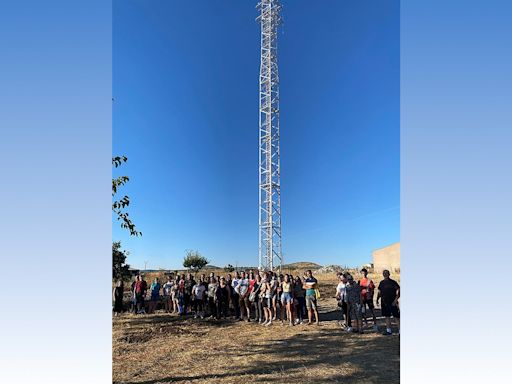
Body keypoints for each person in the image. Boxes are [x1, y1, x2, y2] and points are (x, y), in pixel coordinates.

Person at [376, 269, 400, 336]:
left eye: (386, 273)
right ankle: (389, 331)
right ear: (383, 274)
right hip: (384, 302)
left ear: (389, 274)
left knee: (396, 317)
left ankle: (400, 331)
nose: (385, 274)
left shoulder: (393, 282)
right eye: (384, 273)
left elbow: (399, 291)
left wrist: (395, 300)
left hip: (393, 303)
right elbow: (379, 292)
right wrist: (377, 299)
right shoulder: (381, 283)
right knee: (387, 316)